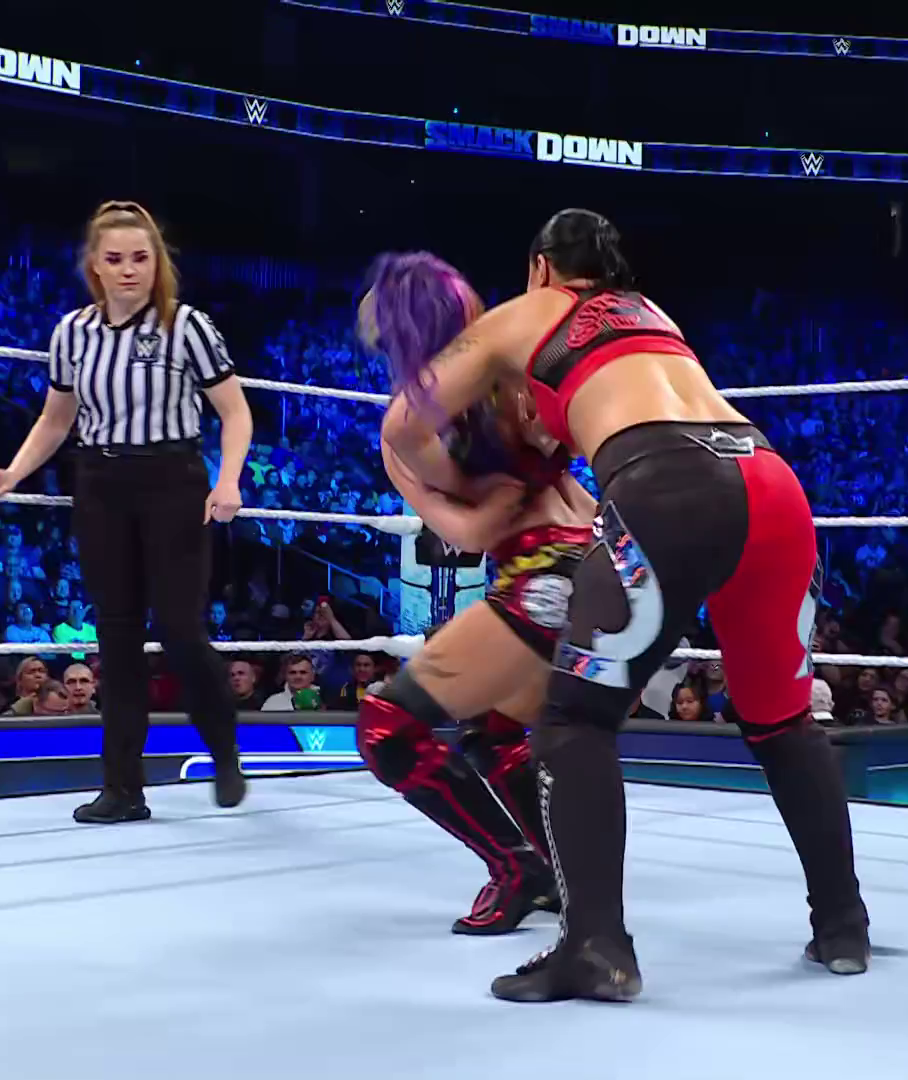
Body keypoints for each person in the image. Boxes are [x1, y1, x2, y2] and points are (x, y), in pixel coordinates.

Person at [382, 209, 869, 1002]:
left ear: (542, 268)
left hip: (670, 487)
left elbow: (403, 424)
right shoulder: (653, 316)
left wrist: (461, 488)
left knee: (574, 719)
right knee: (783, 723)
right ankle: (843, 926)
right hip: (771, 482)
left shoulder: (527, 312)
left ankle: (596, 947)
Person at [0, 200, 253, 823]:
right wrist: (15, 472)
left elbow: (235, 411)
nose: (129, 270)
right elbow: (56, 418)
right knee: (116, 635)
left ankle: (224, 750)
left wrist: (228, 479)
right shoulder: (72, 332)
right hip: (100, 482)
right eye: (116, 258)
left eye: (140, 258)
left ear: (157, 264)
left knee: (180, 631)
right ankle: (123, 788)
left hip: (172, 479)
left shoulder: (188, 326)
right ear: (95, 266)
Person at [358, 251, 598, 934]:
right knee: (494, 730)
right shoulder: (508, 379)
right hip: (592, 560)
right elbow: (489, 515)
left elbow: (469, 528)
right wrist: (514, 481)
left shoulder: (425, 419)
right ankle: (555, 873)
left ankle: (515, 868)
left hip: (545, 577)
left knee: (386, 728)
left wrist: (494, 488)